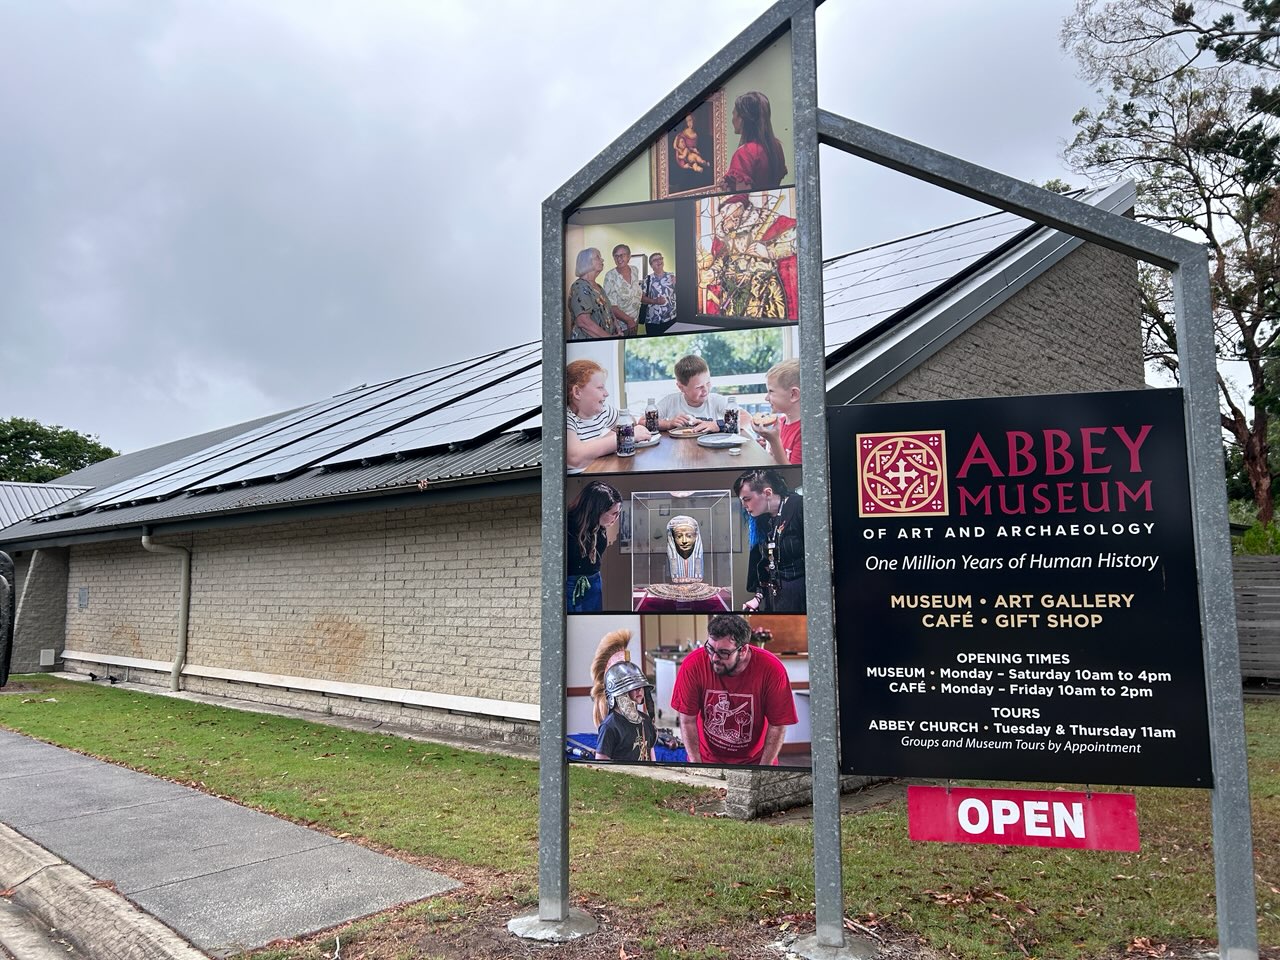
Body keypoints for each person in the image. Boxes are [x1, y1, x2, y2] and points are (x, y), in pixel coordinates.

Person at [670, 613, 797, 765]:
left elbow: (777, 725)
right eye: (710, 648)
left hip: (756, 761)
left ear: (743, 651)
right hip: (706, 759)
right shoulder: (693, 665)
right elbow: (687, 721)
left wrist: (764, 769)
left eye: (724, 653)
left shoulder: (772, 669)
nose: (714, 658)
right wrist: (697, 764)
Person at [699, 193, 797, 320]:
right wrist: (713, 272)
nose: (723, 216)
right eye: (721, 212)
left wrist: (768, 251)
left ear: (738, 206)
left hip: (762, 290)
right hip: (733, 292)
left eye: (725, 210)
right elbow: (723, 259)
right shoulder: (726, 234)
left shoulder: (768, 220)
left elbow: (796, 240)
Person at [734, 468, 804, 613]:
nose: (744, 506)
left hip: (801, 597)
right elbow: (764, 564)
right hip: (774, 599)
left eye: (747, 499)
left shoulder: (799, 507)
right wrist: (758, 597)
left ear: (767, 493)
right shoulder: (761, 519)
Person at [565, 358, 651, 473]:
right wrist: (628, 436)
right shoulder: (567, 419)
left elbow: (630, 422)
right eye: (600, 387)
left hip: (598, 470)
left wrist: (611, 436)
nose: (606, 393)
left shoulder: (603, 411)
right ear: (577, 392)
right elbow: (575, 458)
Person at [655, 355, 750, 436]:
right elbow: (647, 421)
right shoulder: (671, 401)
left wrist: (718, 425)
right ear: (681, 387)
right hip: (680, 449)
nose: (705, 390)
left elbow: (746, 418)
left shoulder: (715, 400)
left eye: (708, 383)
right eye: (699, 387)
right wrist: (668, 424)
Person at [565, 481, 621, 612]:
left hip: (594, 582)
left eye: (618, 513)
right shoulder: (567, 525)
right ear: (598, 510)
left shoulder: (599, 528)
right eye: (614, 513)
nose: (616, 518)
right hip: (571, 584)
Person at [721, 91, 788, 192]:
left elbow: (742, 197)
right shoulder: (776, 146)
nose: (732, 119)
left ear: (741, 118)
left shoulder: (744, 153)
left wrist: (725, 194)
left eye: (733, 114)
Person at [595, 661, 657, 762]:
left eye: (641, 686)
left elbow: (651, 755)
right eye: (633, 686)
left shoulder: (645, 720)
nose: (639, 690)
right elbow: (601, 765)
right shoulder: (610, 726)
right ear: (619, 692)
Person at [602, 244, 665, 337]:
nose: (619, 258)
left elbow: (637, 295)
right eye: (616, 256)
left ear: (629, 257)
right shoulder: (610, 276)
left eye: (622, 255)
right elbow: (612, 306)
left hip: (635, 322)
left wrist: (654, 301)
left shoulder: (634, 270)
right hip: (619, 326)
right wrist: (629, 321)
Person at [568, 248, 632, 339]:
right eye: (598, 257)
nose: (602, 260)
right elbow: (584, 322)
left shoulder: (599, 287)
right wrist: (609, 338)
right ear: (587, 262)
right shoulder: (579, 287)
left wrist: (618, 328)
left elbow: (609, 310)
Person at [755, 358, 802, 465]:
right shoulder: (780, 422)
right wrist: (766, 448)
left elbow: (793, 474)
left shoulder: (804, 432)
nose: (766, 398)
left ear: (793, 394)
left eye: (771, 391)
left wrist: (773, 441)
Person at [641, 252, 676, 335]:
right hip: (652, 321)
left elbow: (682, 293)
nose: (659, 261)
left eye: (660, 258)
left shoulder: (672, 277)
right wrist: (655, 301)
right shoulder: (647, 279)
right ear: (651, 265)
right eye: (655, 260)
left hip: (671, 319)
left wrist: (679, 282)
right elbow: (641, 298)